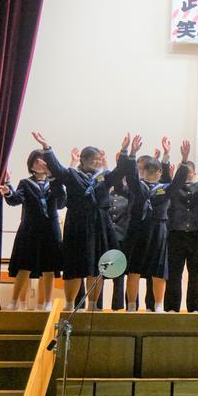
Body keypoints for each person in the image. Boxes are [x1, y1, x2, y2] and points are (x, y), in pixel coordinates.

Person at [34, 132, 124, 310]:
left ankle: (93, 304)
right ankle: (69, 304)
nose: (96, 162)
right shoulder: (72, 175)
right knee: (74, 266)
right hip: (77, 225)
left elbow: (119, 172)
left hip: (99, 224)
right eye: (93, 159)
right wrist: (46, 147)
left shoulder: (104, 177)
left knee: (98, 266)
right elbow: (57, 168)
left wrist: (126, 151)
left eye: (98, 159)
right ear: (83, 160)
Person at [121, 134, 190, 312]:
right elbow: (131, 176)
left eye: (155, 170)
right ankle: (131, 306)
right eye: (147, 170)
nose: (151, 173)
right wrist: (132, 153)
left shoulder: (165, 189)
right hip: (138, 230)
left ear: (160, 173)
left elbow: (177, 182)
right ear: (142, 172)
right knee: (134, 270)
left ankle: (158, 306)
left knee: (159, 270)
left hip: (158, 230)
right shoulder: (137, 186)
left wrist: (184, 160)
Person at [0, 151, 65, 310]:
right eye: (36, 161)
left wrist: (55, 178)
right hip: (30, 228)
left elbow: (61, 203)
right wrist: (8, 189)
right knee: (24, 265)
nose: (40, 163)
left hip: (50, 229)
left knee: (49, 267)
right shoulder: (25, 183)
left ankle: (47, 302)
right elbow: (16, 199)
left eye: (43, 161)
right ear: (31, 165)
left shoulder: (54, 182)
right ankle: (14, 301)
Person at [165, 143, 198, 312]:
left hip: (196, 235)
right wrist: (184, 159)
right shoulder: (173, 188)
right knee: (174, 274)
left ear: (194, 174)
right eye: (183, 171)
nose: (186, 174)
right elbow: (169, 179)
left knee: (195, 275)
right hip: (176, 234)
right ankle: (172, 308)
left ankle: (194, 309)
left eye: (189, 172)